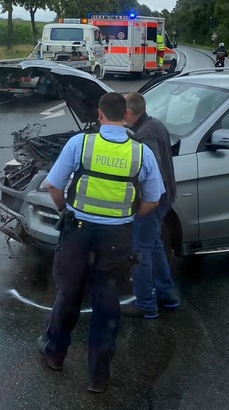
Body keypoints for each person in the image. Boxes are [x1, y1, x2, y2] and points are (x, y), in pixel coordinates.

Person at [37, 92, 165, 393]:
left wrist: (64, 210)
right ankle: (98, 376)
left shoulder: (80, 144)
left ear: (99, 114)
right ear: (126, 116)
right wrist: (127, 217)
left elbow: (55, 186)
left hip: (77, 232)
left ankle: (54, 354)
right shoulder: (140, 152)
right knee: (106, 303)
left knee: (68, 294)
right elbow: (153, 200)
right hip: (116, 239)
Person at [122, 92, 180, 319]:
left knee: (140, 253)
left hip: (151, 202)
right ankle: (168, 296)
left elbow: (150, 165)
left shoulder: (144, 133)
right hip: (164, 198)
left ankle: (146, 305)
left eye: (123, 113)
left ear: (129, 112)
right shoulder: (155, 124)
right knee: (154, 247)